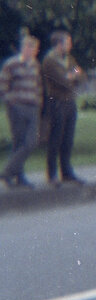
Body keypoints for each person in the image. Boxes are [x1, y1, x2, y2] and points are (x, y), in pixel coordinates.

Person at [41, 30, 86, 186]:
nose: (70, 46)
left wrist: (72, 75)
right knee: (56, 138)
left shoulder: (69, 59)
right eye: (67, 43)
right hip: (57, 102)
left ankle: (66, 172)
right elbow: (62, 81)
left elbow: (80, 75)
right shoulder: (50, 61)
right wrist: (71, 76)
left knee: (68, 138)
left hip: (69, 102)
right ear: (59, 44)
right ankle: (51, 174)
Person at [1, 33, 43, 189]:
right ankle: (18, 176)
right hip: (17, 107)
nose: (34, 52)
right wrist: (11, 101)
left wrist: (39, 102)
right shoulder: (11, 64)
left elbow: (38, 86)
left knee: (31, 142)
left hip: (32, 107)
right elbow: (3, 86)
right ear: (24, 48)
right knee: (19, 142)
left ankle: (6, 172)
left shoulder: (35, 65)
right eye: (31, 48)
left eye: (35, 49)